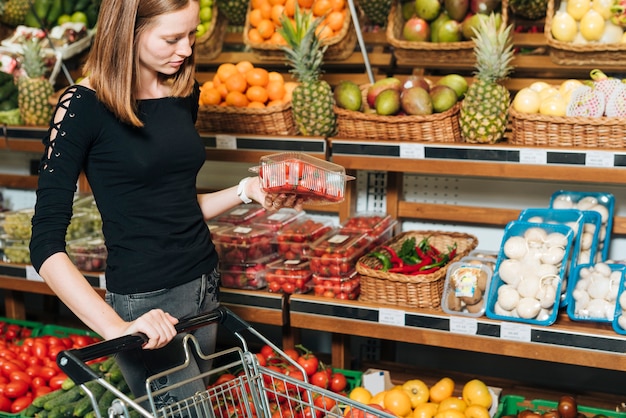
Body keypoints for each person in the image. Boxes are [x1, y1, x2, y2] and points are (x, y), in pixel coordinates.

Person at [29, 0, 301, 410]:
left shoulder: (183, 91)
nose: (187, 50)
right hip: (146, 303)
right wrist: (118, 327)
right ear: (129, 32)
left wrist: (247, 191)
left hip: (204, 284)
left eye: (191, 35)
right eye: (172, 38)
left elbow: (172, 207)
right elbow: (45, 246)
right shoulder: (81, 107)